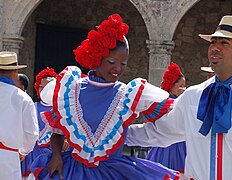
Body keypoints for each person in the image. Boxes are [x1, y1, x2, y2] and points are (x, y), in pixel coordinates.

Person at [30, 14, 180, 180]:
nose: (117, 68)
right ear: (98, 57)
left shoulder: (129, 94)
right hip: (74, 170)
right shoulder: (72, 89)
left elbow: (168, 120)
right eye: (111, 61)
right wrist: (56, 156)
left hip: (114, 171)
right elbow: (58, 129)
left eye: (123, 63)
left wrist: (129, 135)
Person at [126, 15, 232, 179]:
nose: (215, 48)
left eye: (224, 43)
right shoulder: (193, 96)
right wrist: (117, 135)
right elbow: (160, 132)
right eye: (213, 42)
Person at [0, 51, 39, 179]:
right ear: (16, 72)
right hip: (7, 158)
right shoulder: (23, 98)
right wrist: (24, 151)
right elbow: (31, 133)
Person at [146, 62, 187, 173]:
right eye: (181, 86)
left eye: (184, 86)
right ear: (172, 86)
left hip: (177, 143)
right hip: (171, 145)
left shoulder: (176, 101)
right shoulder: (167, 103)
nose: (183, 89)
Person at [20, 67, 60, 177]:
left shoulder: (62, 109)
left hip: (49, 155)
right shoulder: (31, 105)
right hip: (29, 154)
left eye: (47, 87)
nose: (43, 90)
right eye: (41, 87)